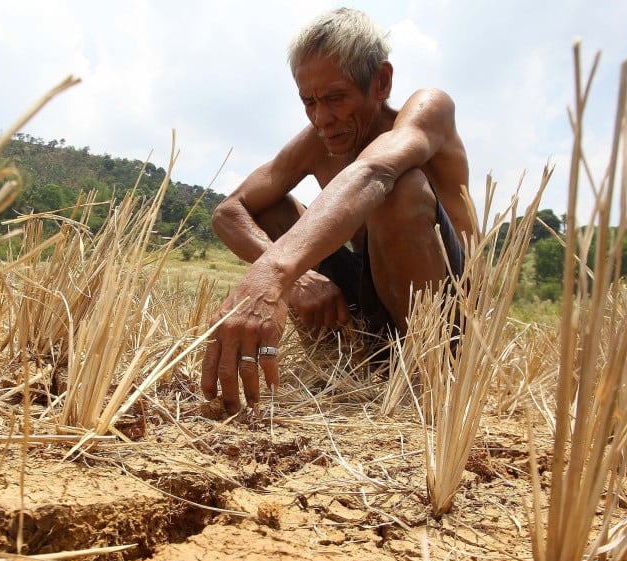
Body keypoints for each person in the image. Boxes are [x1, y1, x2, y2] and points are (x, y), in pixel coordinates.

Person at [201, 7, 475, 415]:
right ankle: (341, 365)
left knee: (399, 188)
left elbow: (374, 171)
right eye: (308, 101)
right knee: (271, 209)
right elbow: (230, 211)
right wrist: (300, 279)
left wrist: (275, 273)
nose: (321, 118)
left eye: (335, 98)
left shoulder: (427, 111)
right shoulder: (318, 139)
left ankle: (428, 379)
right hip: (368, 308)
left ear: (381, 82)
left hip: (447, 317)